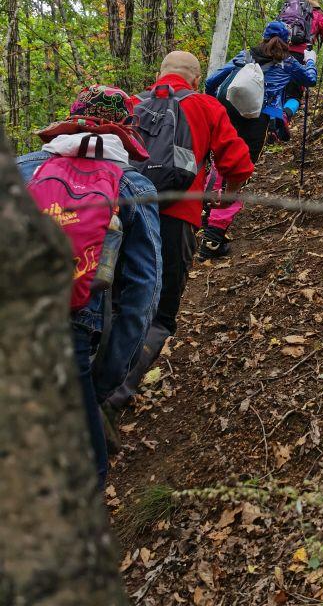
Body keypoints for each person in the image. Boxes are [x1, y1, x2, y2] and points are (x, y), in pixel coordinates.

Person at [15, 85, 162, 487]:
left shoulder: (20, 168)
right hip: (73, 327)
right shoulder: (131, 184)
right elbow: (143, 291)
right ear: (127, 129)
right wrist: (106, 381)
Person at [105, 52, 254, 412]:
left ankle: (93, 380)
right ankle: (114, 393)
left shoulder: (129, 105)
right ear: (197, 78)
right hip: (177, 218)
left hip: (121, 214)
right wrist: (226, 197)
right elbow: (238, 163)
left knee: (115, 296)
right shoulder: (205, 106)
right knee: (161, 312)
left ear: (159, 74)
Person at [201, 22, 318, 259]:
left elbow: (211, 82)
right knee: (239, 174)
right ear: (287, 41)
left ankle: (204, 209)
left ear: (263, 37)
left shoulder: (244, 56)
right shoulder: (288, 62)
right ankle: (212, 239)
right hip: (258, 121)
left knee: (219, 163)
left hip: (229, 115)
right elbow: (310, 80)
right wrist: (310, 60)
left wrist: (215, 104)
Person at [283, 0, 323, 126]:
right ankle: (283, 119)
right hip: (301, 57)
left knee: (277, 89)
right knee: (294, 95)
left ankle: (270, 124)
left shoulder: (286, 14)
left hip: (279, 54)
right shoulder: (318, 16)